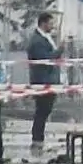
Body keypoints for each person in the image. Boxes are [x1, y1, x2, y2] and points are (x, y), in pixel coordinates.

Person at [26, 9, 59, 151]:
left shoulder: (45, 37)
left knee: (44, 111)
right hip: (43, 81)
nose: (53, 26)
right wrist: (60, 50)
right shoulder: (38, 40)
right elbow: (45, 59)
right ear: (44, 23)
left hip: (48, 80)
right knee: (42, 111)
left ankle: (39, 138)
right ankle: (37, 140)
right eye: (51, 23)